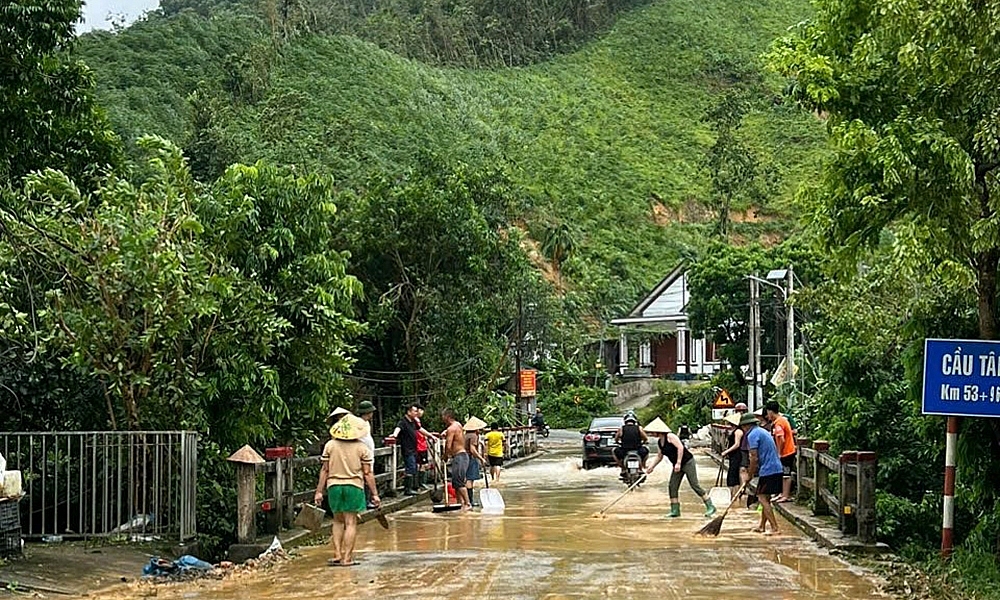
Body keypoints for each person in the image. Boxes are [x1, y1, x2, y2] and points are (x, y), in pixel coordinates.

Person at [313, 414, 380, 567]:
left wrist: (318, 491)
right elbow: (368, 473)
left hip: (334, 486)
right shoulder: (362, 448)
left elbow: (325, 470)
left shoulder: (330, 445)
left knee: (337, 520)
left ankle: (337, 554)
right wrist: (375, 494)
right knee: (350, 522)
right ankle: (347, 558)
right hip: (354, 486)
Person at [644, 418, 716, 518]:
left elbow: (680, 447)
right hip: (676, 466)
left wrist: (678, 463)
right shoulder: (660, 442)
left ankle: (710, 506)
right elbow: (659, 456)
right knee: (672, 486)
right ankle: (675, 510)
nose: (651, 434)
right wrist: (651, 467)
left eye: (652, 432)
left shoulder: (670, 436)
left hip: (687, 462)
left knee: (694, 484)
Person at [738, 412, 783, 535]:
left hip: (769, 470)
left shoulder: (752, 435)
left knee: (762, 498)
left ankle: (775, 528)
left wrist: (749, 474)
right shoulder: (761, 431)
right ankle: (762, 526)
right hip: (775, 468)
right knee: (765, 498)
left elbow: (754, 457)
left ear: (746, 426)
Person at [388, 403, 437, 496]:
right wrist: (394, 435)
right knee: (410, 468)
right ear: (409, 412)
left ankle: (412, 487)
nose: (416, 412)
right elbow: (398, 429)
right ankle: (408, 489)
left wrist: (431, 435)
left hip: (414, 449)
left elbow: (420, 429)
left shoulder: (413, 422)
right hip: (407, 449)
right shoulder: (403, 422)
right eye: (414, 411)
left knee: (414, 467)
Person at [765, 400, 797, 503]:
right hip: (787, 451)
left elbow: (781, 439)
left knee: (786, 475)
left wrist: (778, 453)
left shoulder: (779, 423)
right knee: (782, 474)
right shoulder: (781, 421)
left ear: (770, 412)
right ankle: (782, 494)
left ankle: (785, 495)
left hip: (786, 452)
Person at [441, 408, 472, 510]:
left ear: (447, 417)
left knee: (458, 481)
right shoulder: (458, 425)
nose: (442, 419)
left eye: (443, 416)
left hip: (459, 456)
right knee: (456, 482)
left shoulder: (451, 429)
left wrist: (445, 456)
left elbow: (448, 445)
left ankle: (467, 503)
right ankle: (460, 504)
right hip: (462, 456)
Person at [721, 403, 748, 500]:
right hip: (733, 455)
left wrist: (726, 452)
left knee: (734, 475)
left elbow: (736, 444)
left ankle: (735, 496)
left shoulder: (738, 431)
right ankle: (734, 496)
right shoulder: (735, 430)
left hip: (737, 455)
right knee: (732, 475)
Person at [356, 401, 378, 509]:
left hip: (369, 453)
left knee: (368, 476)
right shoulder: (359, 423)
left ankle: (368, 499)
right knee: (366, 476)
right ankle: (365, 500)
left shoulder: (366, 423)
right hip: (363, 454)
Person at [463, 417, 488, 507]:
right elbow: (472, 449)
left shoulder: (466, 435)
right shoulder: (473, 436)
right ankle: (470, 501)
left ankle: (467, 501)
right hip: (470, 458)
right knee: (470, 479)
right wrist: (481, 458)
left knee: (467, 479)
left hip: (464, 458)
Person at [414, 406, 431, 490]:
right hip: (418, 446)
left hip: (422, 445)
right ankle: (418, 484)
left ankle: (421, 483)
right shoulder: (414, 421)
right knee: (419, 465)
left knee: (423, 465)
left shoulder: (418, 421)